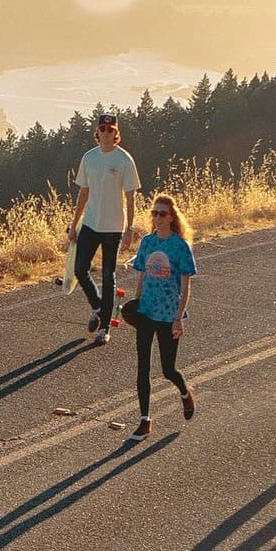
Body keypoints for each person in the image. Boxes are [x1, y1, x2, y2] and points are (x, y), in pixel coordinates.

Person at [125, 194, 197, 442]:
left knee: (168, 369)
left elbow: (186, 287)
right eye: (154, 213)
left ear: (171, 217)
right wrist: (135, 305)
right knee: (142, 366)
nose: (157, 218)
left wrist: (179, 318)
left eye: (162, 214)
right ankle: (145, 419)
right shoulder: (147, 242)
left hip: (168, 314)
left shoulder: (180, 246)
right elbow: (141, 276)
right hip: (146, 311)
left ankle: (185, 392)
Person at [67, 111, 140, 344]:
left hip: (113, 228)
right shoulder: (89, 158)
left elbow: (130, 197)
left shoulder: (124, 160)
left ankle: (104, 328)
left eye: (111, 130)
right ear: (97, 133)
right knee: (80, 270)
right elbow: (83, 193)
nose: (107, 134)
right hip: (90, 223)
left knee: (109, 276)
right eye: (103, 130)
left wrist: (129, 229)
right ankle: (99, 307)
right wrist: (73, 224)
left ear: (116, 134)